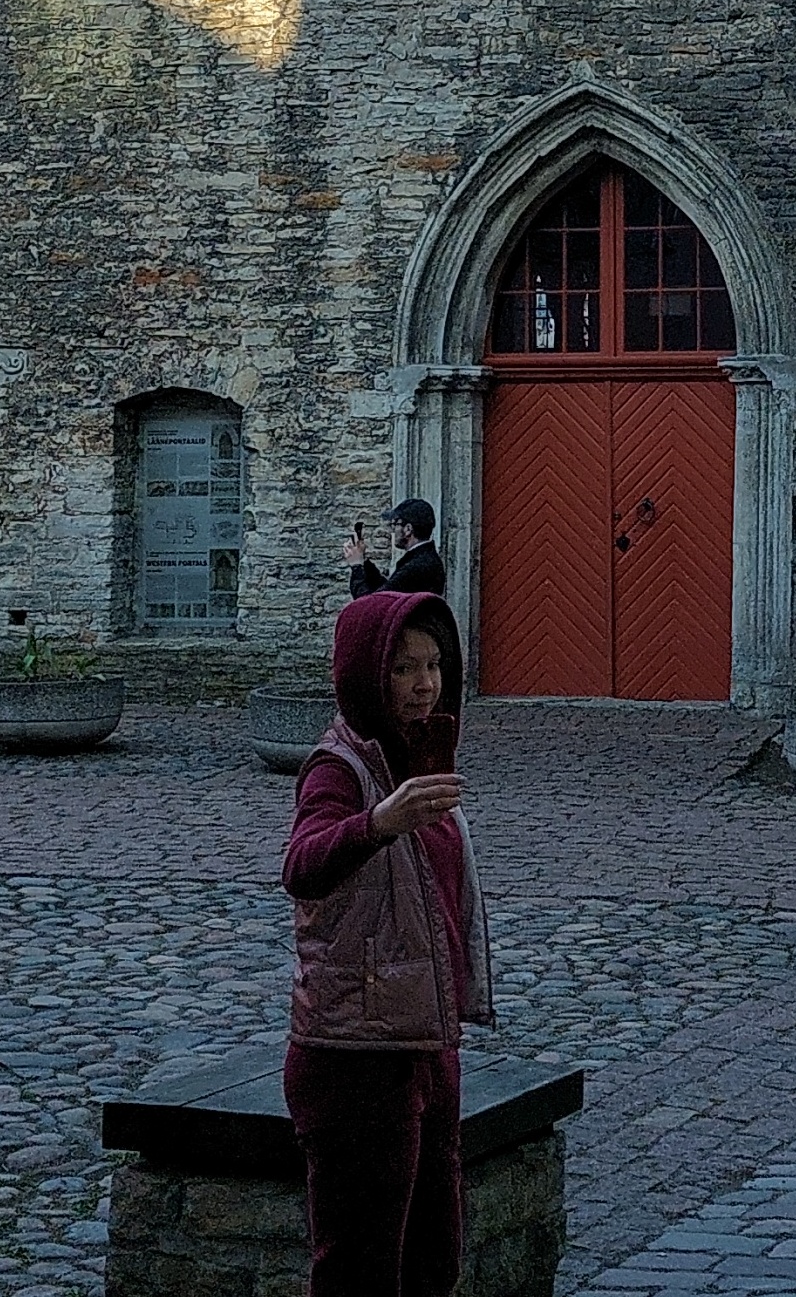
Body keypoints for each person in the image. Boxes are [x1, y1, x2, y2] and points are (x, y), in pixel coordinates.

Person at [282, 591, 491, 1296]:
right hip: (354, 1053)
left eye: (434, 665)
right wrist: (377, 823)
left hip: (424, 1043)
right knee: (360, 1269)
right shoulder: (339, 767)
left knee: (432, 1260)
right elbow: (302, 865)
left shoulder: (417, 757)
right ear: (369, 673)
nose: (425, 684)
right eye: (404, 668)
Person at [344, 497, 447, 599]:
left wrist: (356, 565)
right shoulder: (424, 559)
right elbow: (388, 591)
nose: (392, 531)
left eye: (395, 524)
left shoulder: (417, 567)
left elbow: (372, 605)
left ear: (408, 529)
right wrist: (364, 561)